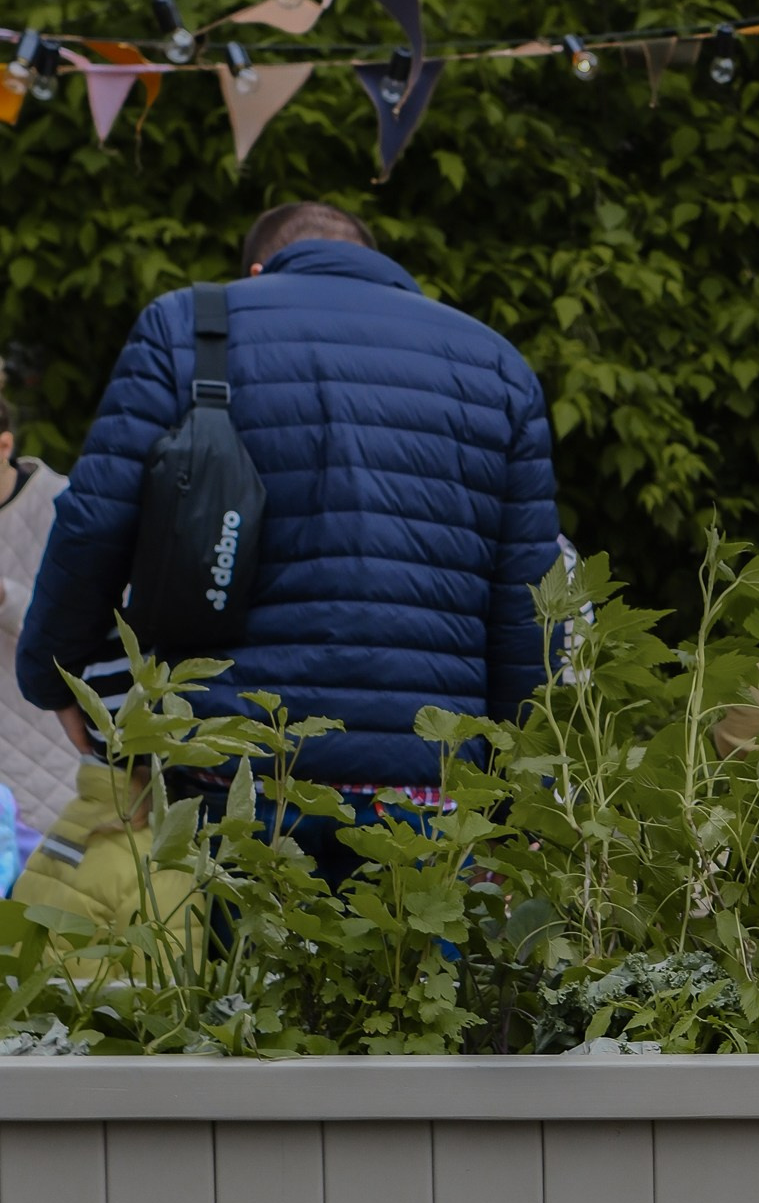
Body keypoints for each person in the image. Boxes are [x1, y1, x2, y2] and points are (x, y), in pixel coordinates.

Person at [17, 202, 561, 825]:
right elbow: (529, 604)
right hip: (428, 781)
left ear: (258, 271)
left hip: (234, 763)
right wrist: (518, 790)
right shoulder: (498, 366)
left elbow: (94, 522)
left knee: (230, 892)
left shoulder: (187, 326)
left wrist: (53, 676)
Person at [0, 384, 77, 849]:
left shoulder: (64, 506)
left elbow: (92, 632)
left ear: (5, 446)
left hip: (54, 767)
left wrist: (5, 598)